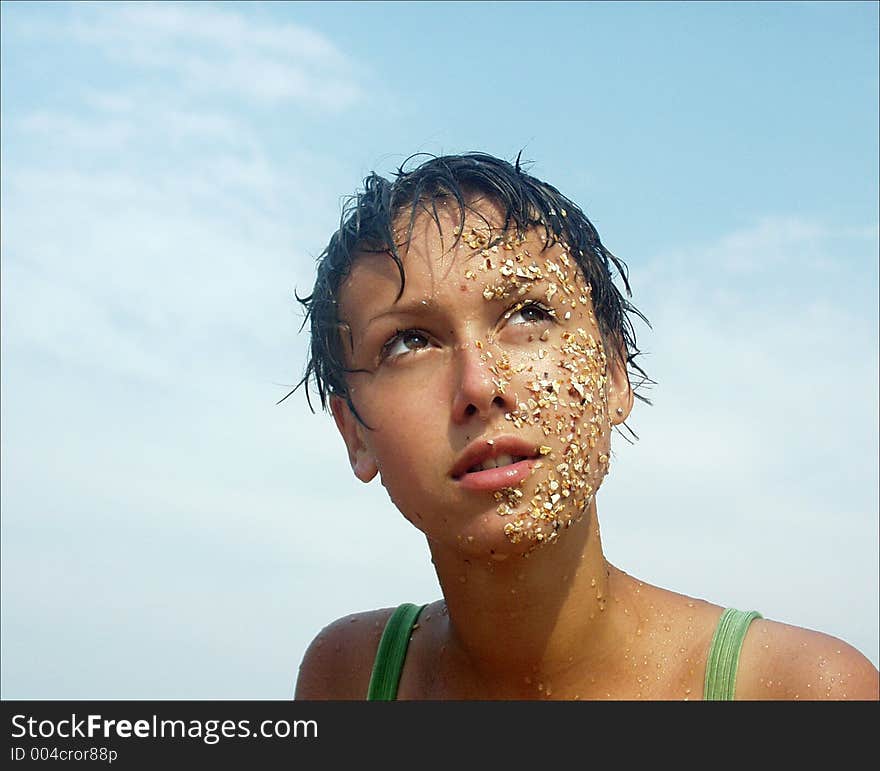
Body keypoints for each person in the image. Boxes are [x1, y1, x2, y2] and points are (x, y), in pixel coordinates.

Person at [290, 152, 879, 700]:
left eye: (528, 314)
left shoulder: (799, 692)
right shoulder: (352, 678)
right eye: (408, 343)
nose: (479, 386)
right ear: (354, 433)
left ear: (614, 375)